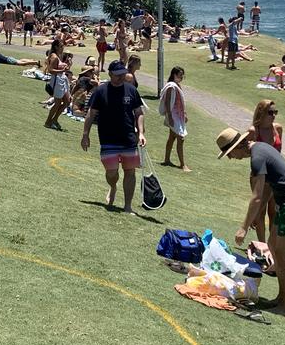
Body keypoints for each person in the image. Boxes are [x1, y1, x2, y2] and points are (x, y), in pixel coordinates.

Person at [218, 127, 285, 317]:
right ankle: (281, 298)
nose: (230, 157)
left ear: (237, 147)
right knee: (273, 247)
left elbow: (257, 196)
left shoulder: (257, 157)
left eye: (229, 153)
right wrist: (258, 213)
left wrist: (243, 227)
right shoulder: (260, 149)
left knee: (282, 255)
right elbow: (268, 189)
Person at [82, 60, 146, 214]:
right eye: (118, 75)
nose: (121, 77)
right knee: (112, 172)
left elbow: (139, 112)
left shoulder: (131, 90)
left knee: (130, 171)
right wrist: (85, 135)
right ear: (110, 74)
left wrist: (141, 132)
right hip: (108, 139)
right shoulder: (100, 91)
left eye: (123, 74)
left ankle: (127, 206)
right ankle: (113, 187)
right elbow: (91, 114)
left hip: (129, 138)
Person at [246, 100, 282, 242]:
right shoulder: (254, 131)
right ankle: (262, 245)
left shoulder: (278, 129)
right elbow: (248, 153)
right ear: (261, 113)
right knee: (259, 211)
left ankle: (271, 246)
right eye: (270, 113)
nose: (273, 116)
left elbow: (279, 152)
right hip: (260, 175)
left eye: (275, 112)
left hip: (276, 176)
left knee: (273, 211)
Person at [160, 66, 190, 172]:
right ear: (174, 75)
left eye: (182, 75)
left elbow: (181, 102)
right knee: (180, 138)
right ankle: (182, 164)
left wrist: (184, 114)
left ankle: (167, 160)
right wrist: (170, 117)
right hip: (173, 116)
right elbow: (168, 102)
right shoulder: (171, 87)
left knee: (172, 137)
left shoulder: (177, 86)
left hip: (178, 115)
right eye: (180, 75)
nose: (181, 77)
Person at [44, 39, 70, 130]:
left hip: (61, 80)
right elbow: (50, 70)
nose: (63, 48)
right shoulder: (54, 57)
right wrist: (62, 70)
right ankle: (48, 122)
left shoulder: (58, 56)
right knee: (58, 103)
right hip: (56, 81)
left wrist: (66, 65)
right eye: (61, 46)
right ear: (56, 47)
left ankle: (54, 119)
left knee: (67, 101)